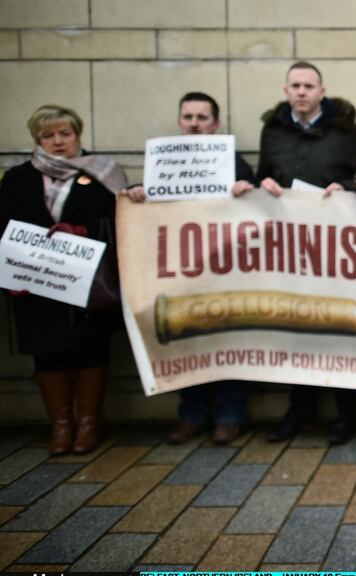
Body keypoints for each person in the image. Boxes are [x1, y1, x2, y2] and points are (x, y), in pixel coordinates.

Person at [124, 92, 255, 445]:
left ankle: (229, 415)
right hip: (180, 273)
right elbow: (148, 205)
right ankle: (192, 414)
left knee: (224, 339)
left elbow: (253, 204)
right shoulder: (163, 163)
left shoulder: (233, 162)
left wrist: (246, 189)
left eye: (202, 117)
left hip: (224, 271)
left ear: (215, 123)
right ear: (180, 121)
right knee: (189, 341)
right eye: (188, 117)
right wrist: (137, 193)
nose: (195, 124)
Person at [0, 104, 127, 455]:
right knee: (48, 353)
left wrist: (82, 231)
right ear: (37, 140)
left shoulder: (104, 175)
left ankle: (87, 425)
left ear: (78, 135)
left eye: (65, 134)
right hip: (35, 287)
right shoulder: (17, 179)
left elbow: (122, 225)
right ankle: (60, 426)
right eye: (48, 135)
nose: (58, 142)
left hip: (90, 287)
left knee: (91, 351)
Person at [257, 61, 356, 444]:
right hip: (290, 249)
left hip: (335, 251)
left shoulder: (347, 131)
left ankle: (345, 415)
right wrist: (266, 184)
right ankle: (299, 411)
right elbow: (262, 176)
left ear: (322, 91)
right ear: (285, 89)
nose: (302, 92)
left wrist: (343, 187)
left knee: (337, 328)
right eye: (295, 85)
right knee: (296, 326)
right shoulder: (272, 131)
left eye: (309, 86)